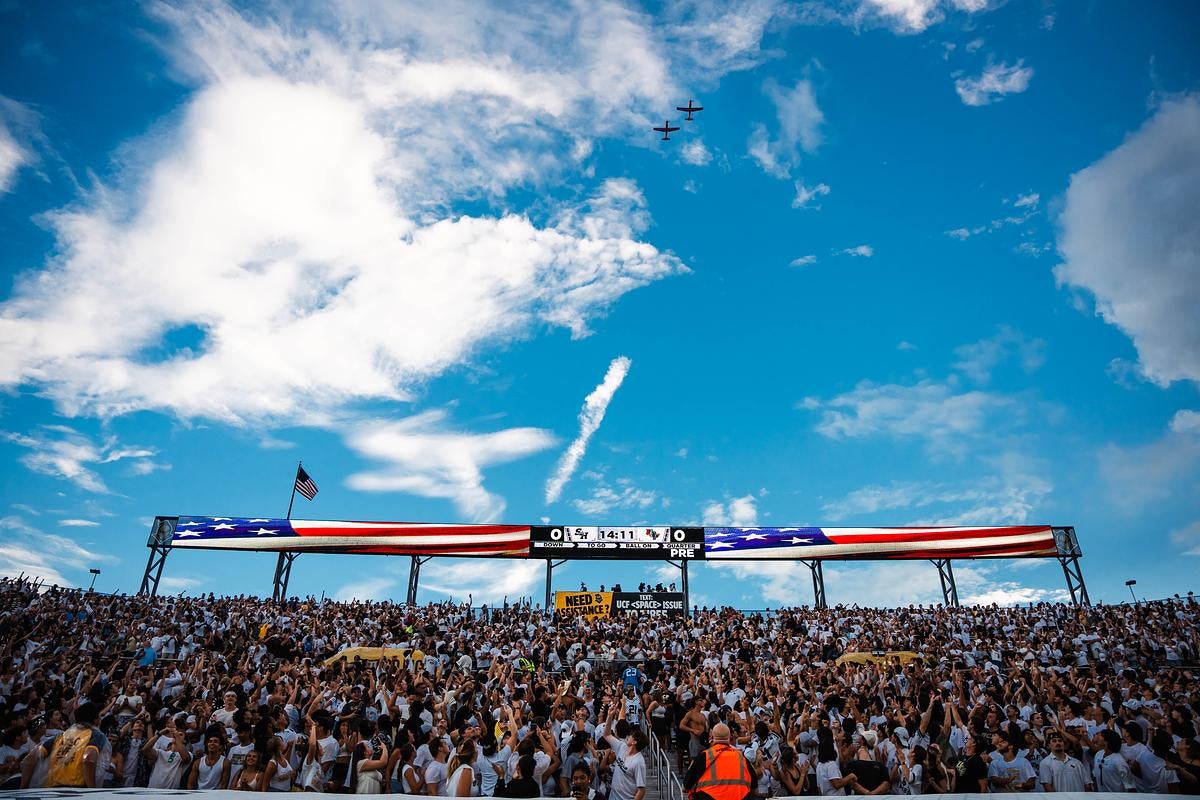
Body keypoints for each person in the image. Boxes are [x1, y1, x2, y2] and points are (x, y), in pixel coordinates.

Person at [40, 703, 110, 789]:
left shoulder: (61, 736)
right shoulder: (96, 735)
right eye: (99, 716)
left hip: (52, 788)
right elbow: (88, 759)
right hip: (77, 788)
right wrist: (92, 790)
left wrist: (24, 786)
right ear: (96, 720)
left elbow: (30, 758)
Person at [683, 722, 754, 800]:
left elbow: (686, 784)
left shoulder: (704, 756)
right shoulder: (741, 756)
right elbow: (754, 784)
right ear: (730, 738)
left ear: (712, 738)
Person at [845, 729, 890, 795]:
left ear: (863, 740)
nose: (859, 738)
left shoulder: (872, 749)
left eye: (861, 736)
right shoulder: (859, 750)